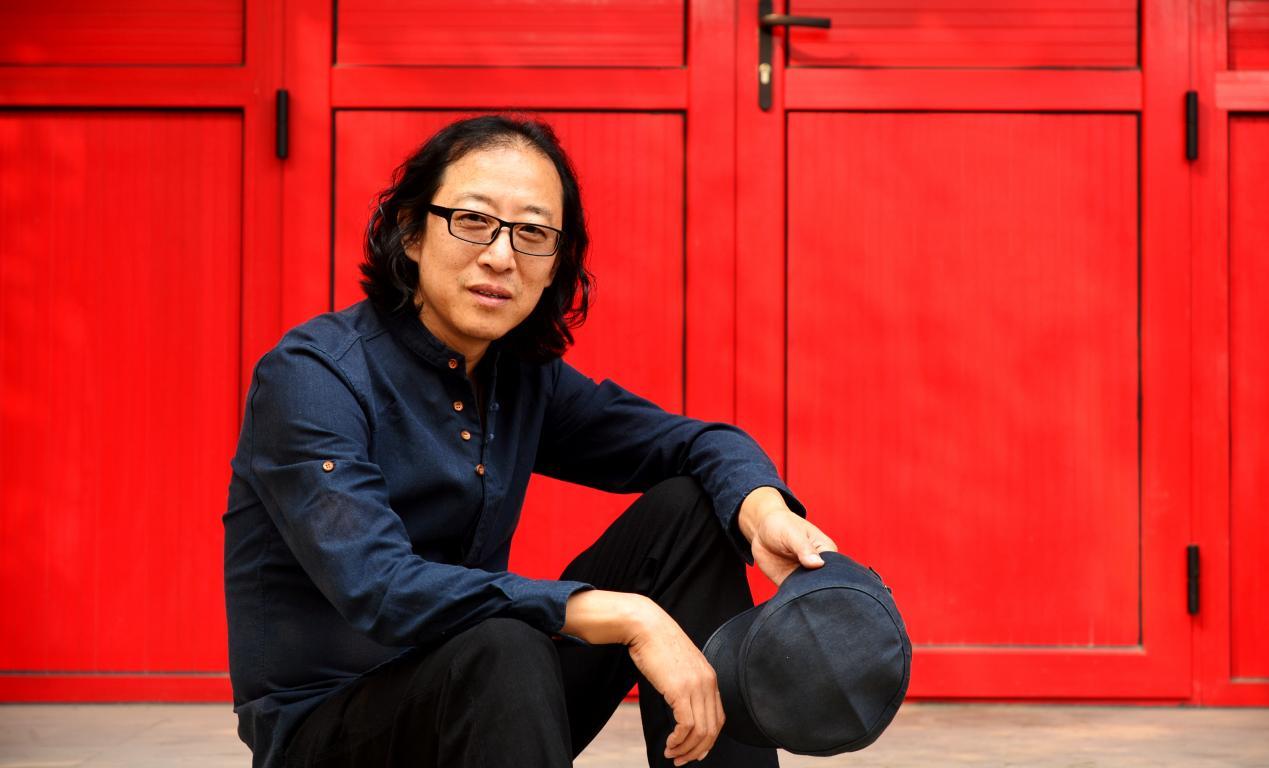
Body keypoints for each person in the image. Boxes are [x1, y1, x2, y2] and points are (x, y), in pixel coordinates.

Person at [223, 114, 836, 768]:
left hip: (495, 705)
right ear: (411, 232)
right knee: (505, 643)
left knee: (690, 512)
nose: (500, 256)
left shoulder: (518, 377)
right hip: (331, 734)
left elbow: (696, 444)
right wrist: (628, 615)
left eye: (533, 233)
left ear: (554, 265)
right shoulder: (315, 376)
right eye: (472, 220)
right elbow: (380, 586)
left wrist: (762, 511)